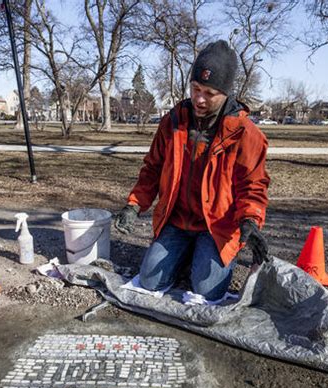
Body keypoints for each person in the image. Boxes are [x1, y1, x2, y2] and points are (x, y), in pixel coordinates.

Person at [114, 40, 270, 302]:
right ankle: (184, 254)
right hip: (177, 220)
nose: (199, 98)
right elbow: (152, 168)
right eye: (195, 88)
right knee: (150, 281)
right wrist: (133, 205)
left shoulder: (246, 134)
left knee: (207, 290)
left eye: (209, 93)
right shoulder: (173, 121)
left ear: (226, 94)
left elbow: (253, 185)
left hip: (216, 227)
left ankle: (201, 256)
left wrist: (250, 221)